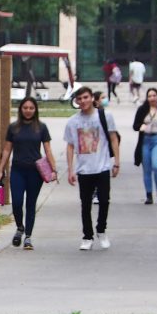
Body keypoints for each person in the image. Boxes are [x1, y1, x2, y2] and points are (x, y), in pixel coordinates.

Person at [0, 97, 57, 250]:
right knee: (17, 202)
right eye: (25, 108)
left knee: (30, 204)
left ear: (35, 109)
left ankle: (28, 237)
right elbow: (6, 149)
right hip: (17, 170)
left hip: (35, 172)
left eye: (31, 108)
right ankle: (19, 227)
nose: (28, 110)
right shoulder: (13, 128)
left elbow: (48, 150)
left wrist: (54, 169)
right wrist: (0, 169)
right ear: (20, 109)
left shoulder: (41, 128)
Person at [64, 86, 120, 250]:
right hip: (84, 169)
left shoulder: (104, 116)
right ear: (76, 102)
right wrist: (70, 169)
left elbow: (114, 138)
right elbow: (70, 146)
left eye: (86, 97)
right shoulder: (73, 122)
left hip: (102, 166)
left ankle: (101, 230)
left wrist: (116, 162)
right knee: (85, 204)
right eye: (79, 99)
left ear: (92, 98)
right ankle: (87, 236)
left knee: (104, 201)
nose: (83, 101)